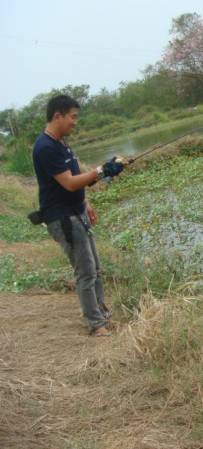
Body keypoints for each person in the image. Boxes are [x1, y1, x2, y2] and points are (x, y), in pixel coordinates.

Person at [32, 95, 126, 337]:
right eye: (73, 117)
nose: (75, 122)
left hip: (76, 211)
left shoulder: (62, 143)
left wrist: (86, 201)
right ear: (57, 116)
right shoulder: (45, 147)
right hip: (62, 218)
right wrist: (100, 170)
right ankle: (96, 325)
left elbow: (75, 181)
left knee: (95, 268)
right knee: (85, 271)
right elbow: (70, 183)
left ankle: (103, 316)